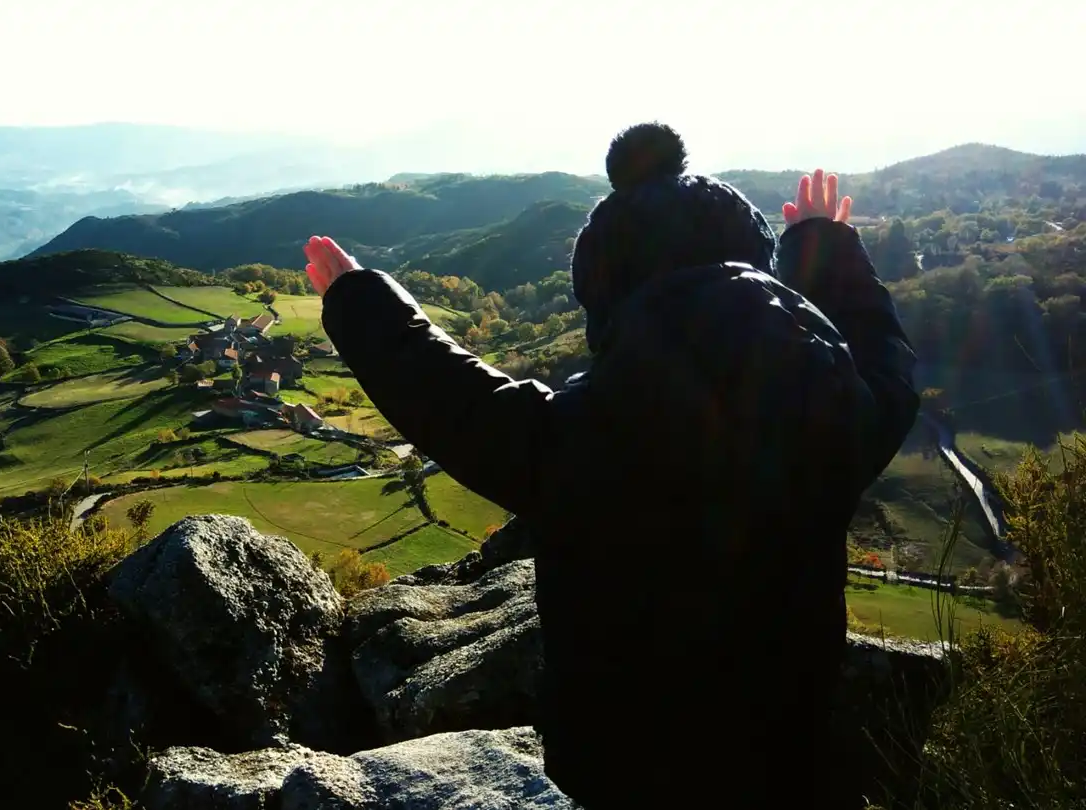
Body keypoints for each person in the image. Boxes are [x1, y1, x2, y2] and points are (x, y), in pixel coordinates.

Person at [304, 123, 919, 809]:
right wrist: (826, 249)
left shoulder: (585, 434)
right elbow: (888, 366)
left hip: (625, 771)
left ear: (606, 293)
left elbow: (457, 401)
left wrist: (361, 303)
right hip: (792, 759)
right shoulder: (835, 409)